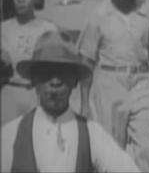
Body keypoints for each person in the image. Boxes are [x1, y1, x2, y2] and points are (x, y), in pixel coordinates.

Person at [1, 30, 141, 172]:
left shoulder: (92, 134)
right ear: (33, 79)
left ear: (75, 81)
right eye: (46, 72)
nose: (55, 81)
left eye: (63, 72)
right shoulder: (10, 135)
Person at [77, 0, 149, 173]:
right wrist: (85, 102)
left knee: (146, 147)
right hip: (109, 84)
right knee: (111, 150)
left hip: (141, 83)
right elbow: (87, 60)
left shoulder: (147, 12)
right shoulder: (99, 14)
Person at [1, 0, 58, 124]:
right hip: (7, 99)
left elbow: (59, 73)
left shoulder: (48, 30)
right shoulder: (3, 29)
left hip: (37, 98)